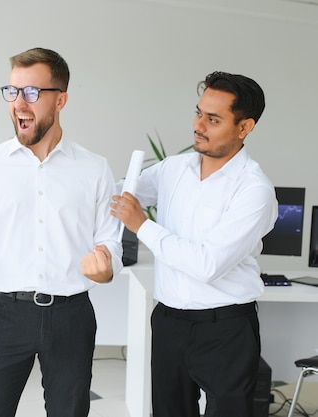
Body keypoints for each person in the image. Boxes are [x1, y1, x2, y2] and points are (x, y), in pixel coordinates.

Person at [0, 47, 123, 417]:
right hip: (5, 314)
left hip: (71, 315)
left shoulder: (95, 169)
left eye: (32, 93)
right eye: (13, 91)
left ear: (60, 100)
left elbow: (109, 244)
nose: (19, 103)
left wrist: (106, 267)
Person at [111, 71, 278, 417]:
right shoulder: (174, 168)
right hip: (170, 322)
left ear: (244, 127)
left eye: (213, 119)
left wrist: (141, 225)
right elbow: (118, 194)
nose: (199, 125)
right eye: (198, 112)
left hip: (226, 330)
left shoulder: (254, 190)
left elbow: (207, 264)